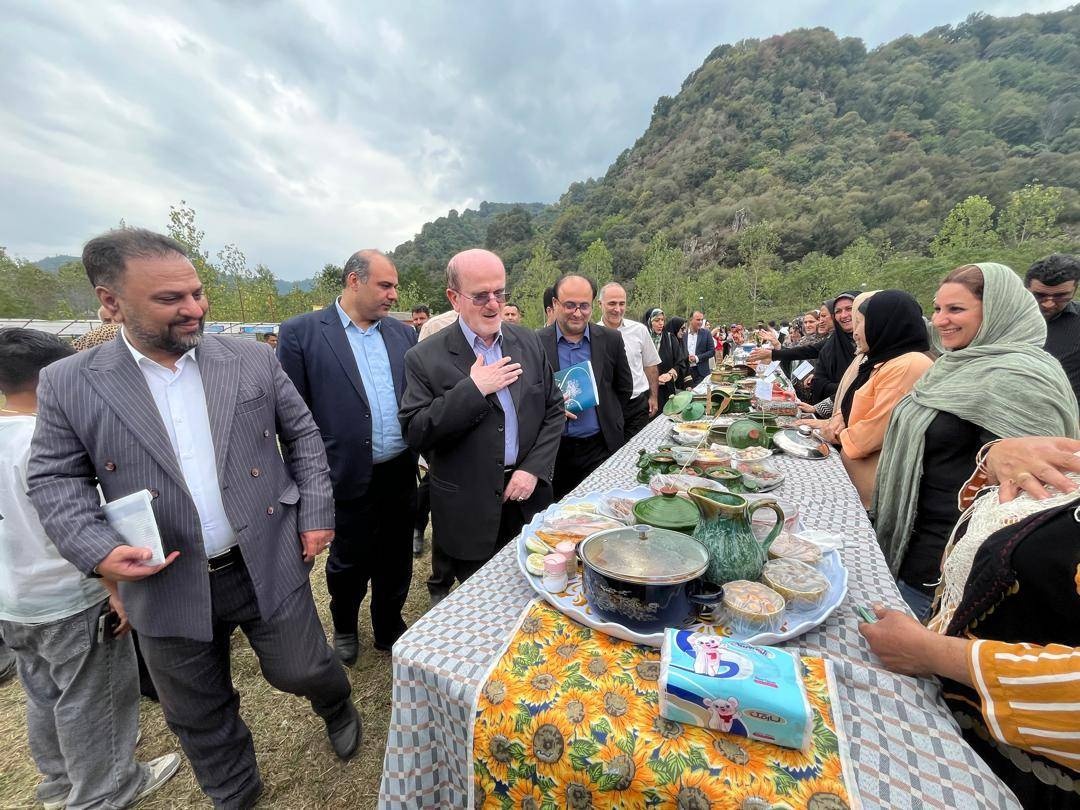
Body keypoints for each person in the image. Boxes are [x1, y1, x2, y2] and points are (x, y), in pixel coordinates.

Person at [28, 229, 358, 809]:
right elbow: (54, 478)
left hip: (265, 553)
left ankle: (335, 703)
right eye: (170, 299)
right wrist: (97, 549)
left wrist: (315, 511)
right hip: (163, 576)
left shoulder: (250, 357)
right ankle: (235, 791)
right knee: (196, 708)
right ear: (111, 302)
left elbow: (303, 434)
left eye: (197, 292)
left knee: (302, 667)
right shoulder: (69, 381)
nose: (194, 308)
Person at [1, 328, 181, 810]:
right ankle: (106, 789)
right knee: (94, 696)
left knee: (43, 693)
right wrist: (114, 592)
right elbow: (79, 527)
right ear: (51, 379)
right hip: (69, 596)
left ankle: (58, 782)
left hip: (15, 602)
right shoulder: (43, 443)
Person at [862, 435, 1080, 808]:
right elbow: (1000, 521)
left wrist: (931, 652)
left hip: (1019, 773)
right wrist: (996, 455)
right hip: (944, 700)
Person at [872, 263, 1080, 620]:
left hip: (948, 570)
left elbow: (1030, 498)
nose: (940, 320)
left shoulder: (1023, 375)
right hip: (910, 545)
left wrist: (993, 454)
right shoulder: (951, 365)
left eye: (956, 309)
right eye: (938, 308)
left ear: (997, 310)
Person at [277, 250, 418, 662]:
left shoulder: (402, 335)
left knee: (396, 558)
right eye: (385, 285)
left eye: (394, 286)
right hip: (342, 472)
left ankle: (388, 625)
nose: (393, 295)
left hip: (399, 470)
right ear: (354, 281)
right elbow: (291, 414)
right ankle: (344, 625)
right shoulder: (302, 333)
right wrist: (307, 479)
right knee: (348, 561)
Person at [398, 249, 564, 591]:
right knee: (482, 596)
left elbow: (553, 409)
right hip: (469, 508)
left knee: (537, 591)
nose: (493, 305)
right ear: (453, 298)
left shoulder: (528, 341)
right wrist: (473, 389)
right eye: (480, 296)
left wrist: (532, 469)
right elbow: (416, 432)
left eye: (499, 293)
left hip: (528, 498)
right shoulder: (424, 358)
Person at [801, 291, 933, 507]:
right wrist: (828, 421)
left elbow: (867, 437)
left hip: (869, 494)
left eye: (861, 322)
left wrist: (830, 432)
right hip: (854, 479)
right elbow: (853, 407)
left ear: (883, 324)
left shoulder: (907, 365)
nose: (855, 332)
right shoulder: (880, 362)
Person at [539, 275, 633, 500]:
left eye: (584, 306)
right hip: (555, 451)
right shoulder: (537, 342)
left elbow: (624, 388)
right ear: (555, 304)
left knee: (603, 506)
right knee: (561, 512)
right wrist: (551, 410)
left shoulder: (610, 339)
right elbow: (527, 396)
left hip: (600, 446)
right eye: (570, 305)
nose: (577, 313)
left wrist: (608, 414)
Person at [598, 282, 660, 440]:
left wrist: (653, 397)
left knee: (637, 449)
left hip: (637, 405)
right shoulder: (592, 335)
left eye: (622, 304)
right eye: (612, 303)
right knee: (613, 450)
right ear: (600, 304)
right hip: (607, 408)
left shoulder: (639, 330)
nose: (617, 309)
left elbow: (650, 366)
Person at [1025, 253, 1079, 408]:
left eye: (1060, 296)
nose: (1048, 304)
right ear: (1026, 288)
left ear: (1074, 289)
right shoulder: (1000, 320)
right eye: (1039, 295)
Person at [643, 308, 687, 410]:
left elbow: (680, 363)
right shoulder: (642, 340)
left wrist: (670, 374)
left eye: (662, 320)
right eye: (656, 320)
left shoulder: (670, 339)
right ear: (649, 322)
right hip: (646, 392)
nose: (661, 323)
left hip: (666, 392)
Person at [685, 310, 715, 384]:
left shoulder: (706, 333)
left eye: (702, 320)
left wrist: (697, 358)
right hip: (685, 372)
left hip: (702, 373)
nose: (701, 322)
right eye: (698, 320)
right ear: (690, 320)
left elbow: (712, 351)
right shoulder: (683, 334)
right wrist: (686, 357)